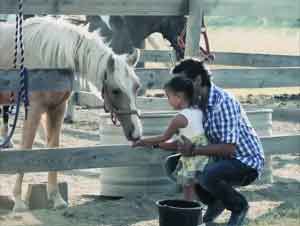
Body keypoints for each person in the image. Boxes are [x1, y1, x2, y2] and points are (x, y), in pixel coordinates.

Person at [171, 58, 264, 226]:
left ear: (198, 80)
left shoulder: (224, 102)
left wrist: (192, 150)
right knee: (174, 165)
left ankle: (239, 206)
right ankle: (216, 202)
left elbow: (229, 149)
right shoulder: (194, 104)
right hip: (220, 160)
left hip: (245, 161)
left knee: (207, 175)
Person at [132, 76, 209, 201]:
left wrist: (142, 141)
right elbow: (179, 141)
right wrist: (159, 145)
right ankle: (196, 212)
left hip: (192, 158)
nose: (168, 100)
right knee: (196, 190)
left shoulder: (180, 118)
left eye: (168, 96)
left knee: (188, 190)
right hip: (205, 155)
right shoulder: (199, 111)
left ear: (178, 97)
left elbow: (163, 137)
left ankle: (190, 214)